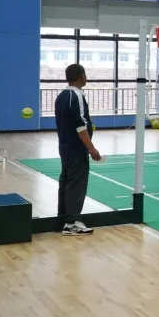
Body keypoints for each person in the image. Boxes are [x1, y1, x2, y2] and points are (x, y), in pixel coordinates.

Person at [55, 64, 102, 235]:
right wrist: (91, 148)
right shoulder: (76, 96)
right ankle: (72, 223)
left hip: (64, 147)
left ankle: (63, 220)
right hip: (76, 148)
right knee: (76, 184)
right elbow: (80, 126)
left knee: (66, 182)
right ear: (82, 76)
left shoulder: (61, 96)